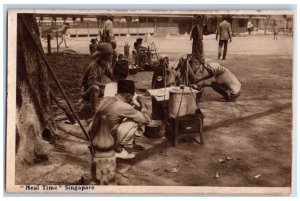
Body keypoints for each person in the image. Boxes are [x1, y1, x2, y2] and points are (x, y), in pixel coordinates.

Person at [88, 80, 151, 159]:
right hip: (105, 143)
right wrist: (142, 104)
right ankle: (118, 150)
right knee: (133, 122)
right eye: (131, 96)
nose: (132, 98)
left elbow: (117, 111)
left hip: (93, 138)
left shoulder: (106, 99)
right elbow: (147, 120)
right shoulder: (124, 106)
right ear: (128, 95)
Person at [81, 43, 114, 114]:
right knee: (95, 88)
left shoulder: (105, 64)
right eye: (110, 55)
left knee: (113, 87)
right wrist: (105, 85)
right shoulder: (94, 66)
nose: (112, 56)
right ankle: (94, 112)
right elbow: (91, 82)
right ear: (105, 56)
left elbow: (112, 76)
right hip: (87, 92)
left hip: (98, 90)